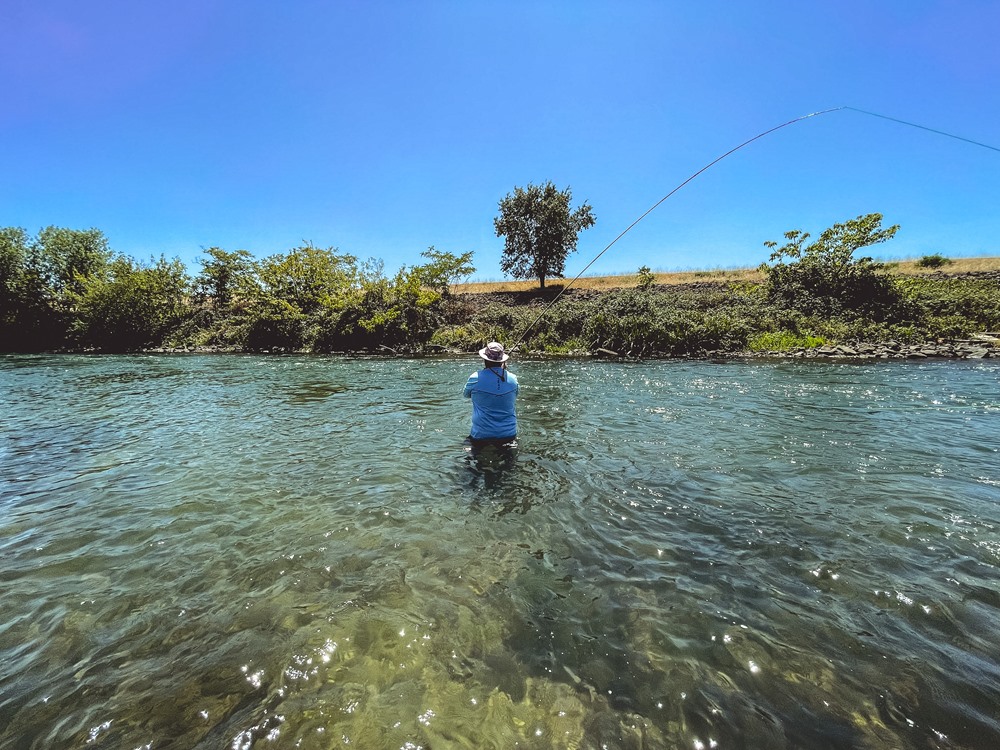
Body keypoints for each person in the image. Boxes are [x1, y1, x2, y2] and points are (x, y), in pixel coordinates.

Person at [464, 341, 519, 444]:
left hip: (481, 435)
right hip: (509, 434)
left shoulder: (475, 378)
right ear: (502, 360)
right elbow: (515, 395)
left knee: (471, 455)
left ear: (485, 359)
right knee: (510, 459)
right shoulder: (513, 379)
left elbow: (466, 395)